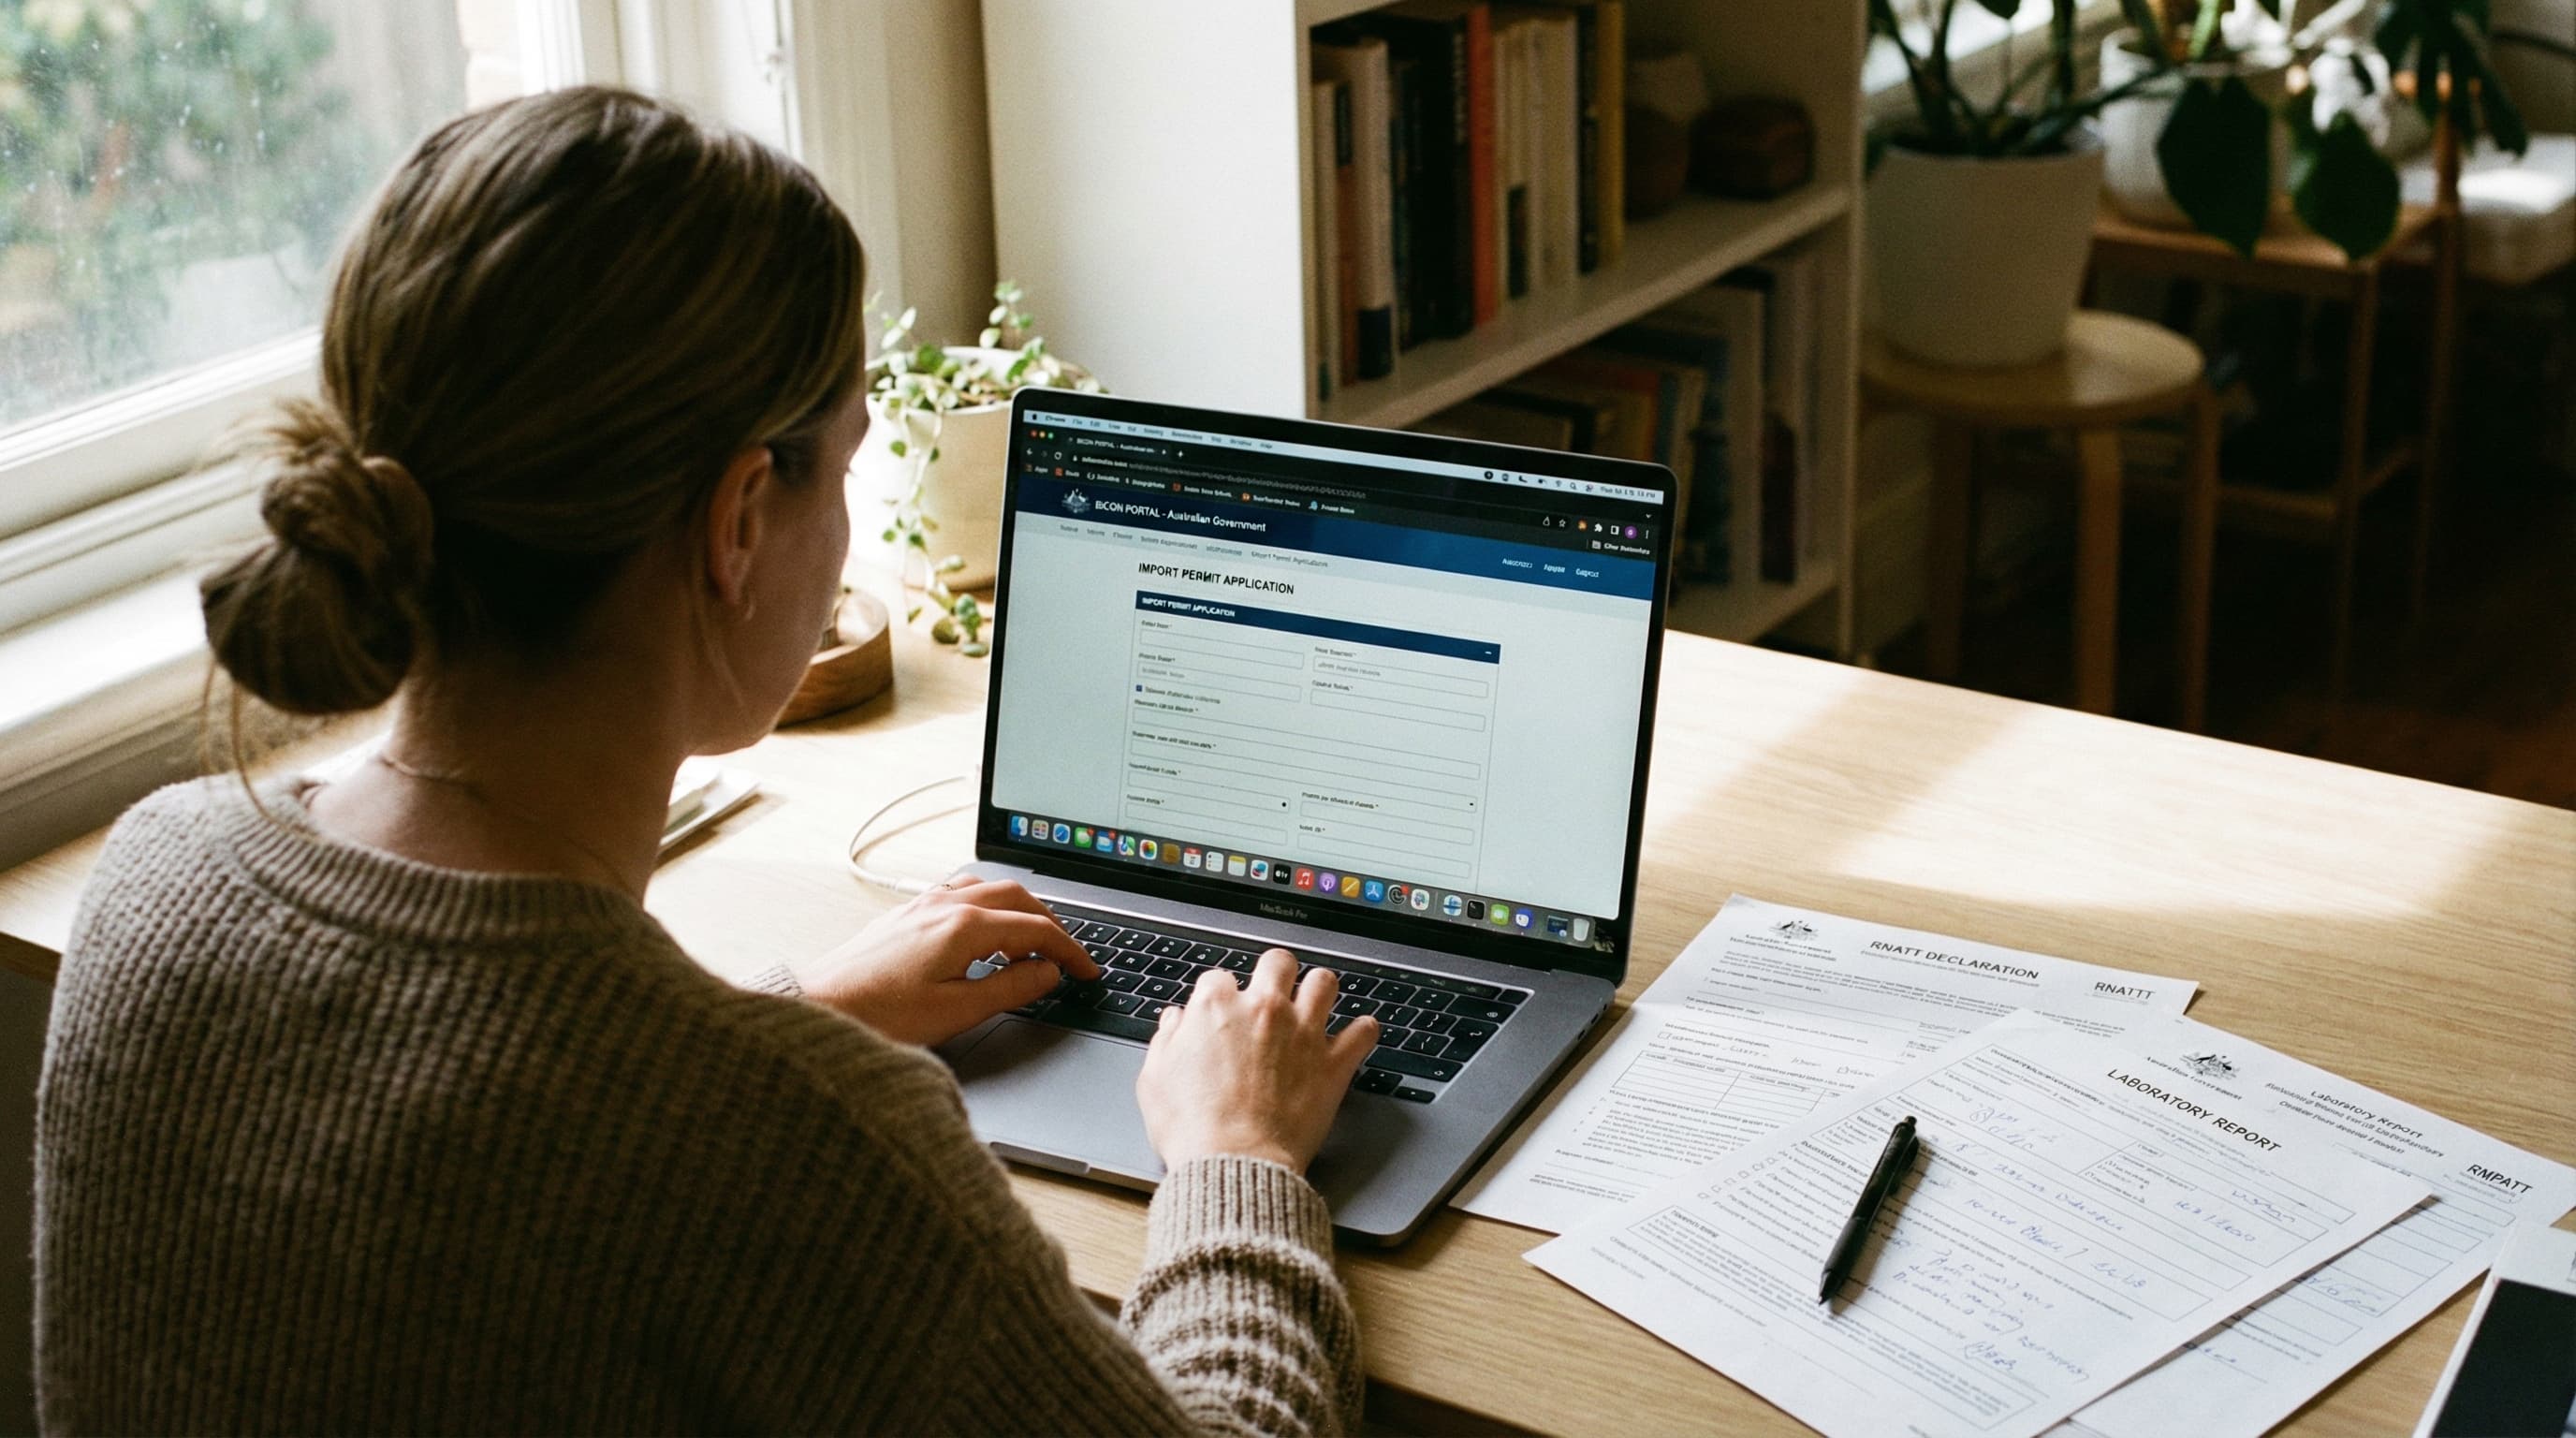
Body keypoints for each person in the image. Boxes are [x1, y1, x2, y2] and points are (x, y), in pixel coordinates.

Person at [34, 85, 1381, 1436]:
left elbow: (500, 1129)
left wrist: (798, 1011)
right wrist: (1239, 1155)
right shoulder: (783, 1148)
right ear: (740, 520)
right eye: (847, 466)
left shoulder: (157, 876)